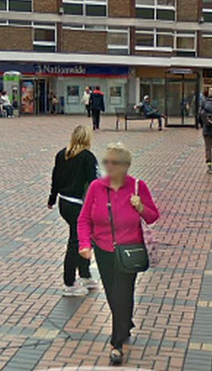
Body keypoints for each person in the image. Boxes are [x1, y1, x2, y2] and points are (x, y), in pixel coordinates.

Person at [78, 143, 160, 366]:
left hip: (129, 252)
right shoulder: (96, 187)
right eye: (108, 162)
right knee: (114, 295)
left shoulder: (137, 187)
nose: (109, 166)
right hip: (104, 251)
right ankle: (125, 323)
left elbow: (153, 216)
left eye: (115, 162)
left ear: (125, 165)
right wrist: (85, 244)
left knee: (122, 294)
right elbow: (84, 219)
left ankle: (116, 344)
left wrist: (141, 206)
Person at [48, 126, 100, 297]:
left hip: (65, 202)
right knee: (76, 241)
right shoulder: (87, 157)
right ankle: (69, 282)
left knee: (83, 238)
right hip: (78, 204)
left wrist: (52, 198)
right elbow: (94, 183)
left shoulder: (62, 154)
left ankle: (84, 275)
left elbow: (55, 178)